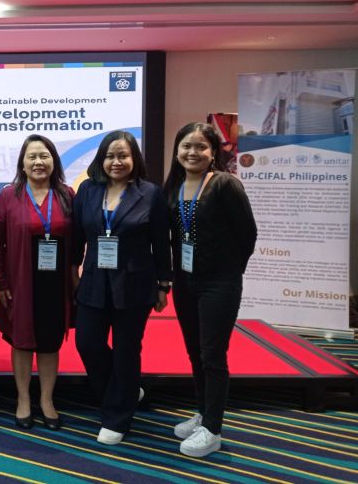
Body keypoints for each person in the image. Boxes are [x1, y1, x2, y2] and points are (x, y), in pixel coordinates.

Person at [71, 130, 171, 445]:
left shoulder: (150, 194)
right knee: (87, 344)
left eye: (123, 155)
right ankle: (125, 392)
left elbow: (161, 242)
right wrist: (73, 273)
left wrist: (164, 284)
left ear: (134, 159)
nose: (117, 162)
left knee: (127, 352)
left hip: (135, 284)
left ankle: (117, 417)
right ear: (101, 159)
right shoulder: (87, 190)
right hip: (93, 282)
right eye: (110, 156)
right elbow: (76, 237)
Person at [163, 122, 256, 458]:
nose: (193, 153)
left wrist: (230, 272)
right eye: (186, 146)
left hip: (219, 282)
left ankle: (213, 430)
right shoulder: (173, 187)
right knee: (194, 352)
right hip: (185, 281)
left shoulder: (224, 184)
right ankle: (203, 413)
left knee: (213, 355)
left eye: (201, 147)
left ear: (213, 151)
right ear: (177, 150)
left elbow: (248, 234)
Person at [0, 135, 74, 430]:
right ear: (22, 164)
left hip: (56, 283)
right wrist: (0, 283)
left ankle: (47, 400)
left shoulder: (66, 194)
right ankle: (23, 398)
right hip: (20, 281)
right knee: (22, 342)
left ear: (54, 161)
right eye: (32, 157)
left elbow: (77, 240)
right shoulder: (9, 196)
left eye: (44, 156)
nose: (38, 162)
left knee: (50, 343)